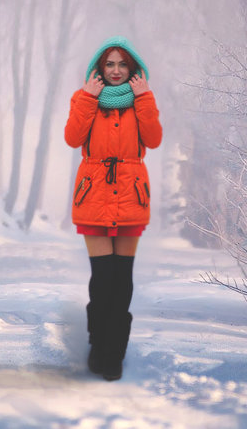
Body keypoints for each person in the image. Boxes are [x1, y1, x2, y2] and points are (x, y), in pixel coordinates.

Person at [64, 35, 162, 381]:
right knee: (102, 279)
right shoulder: (83, 98)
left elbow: (153, 139)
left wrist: (145, 97)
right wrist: (89, 100)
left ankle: (114, 354)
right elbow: (73, 138)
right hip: (94, 196)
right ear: (99, 68)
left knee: (122, 282)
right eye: (110, 64)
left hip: (131, 196)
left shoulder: (141, 101)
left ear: (132, 68)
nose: (117, 70)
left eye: (123, 64)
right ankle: (98, 345)